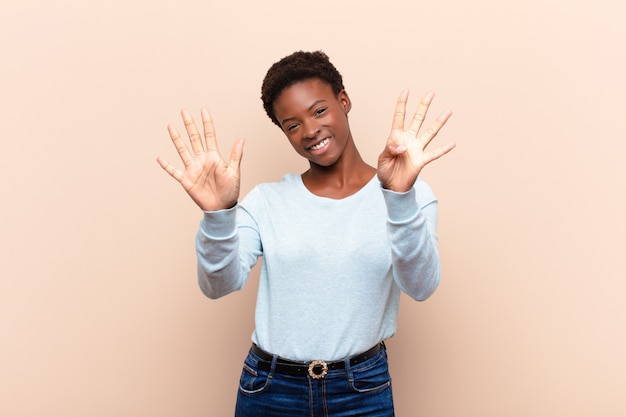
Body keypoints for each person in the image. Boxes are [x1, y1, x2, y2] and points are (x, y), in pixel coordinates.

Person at [157, 50, 455, 417]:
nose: (310, 130)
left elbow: (421, 286)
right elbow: (217, 285)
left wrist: (399, 198)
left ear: (343, 101)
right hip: (270, 388)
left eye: (318, 111)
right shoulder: (267, 201)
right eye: (292, 124)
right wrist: (217, 215)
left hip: (361, 389)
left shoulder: (409, 195)